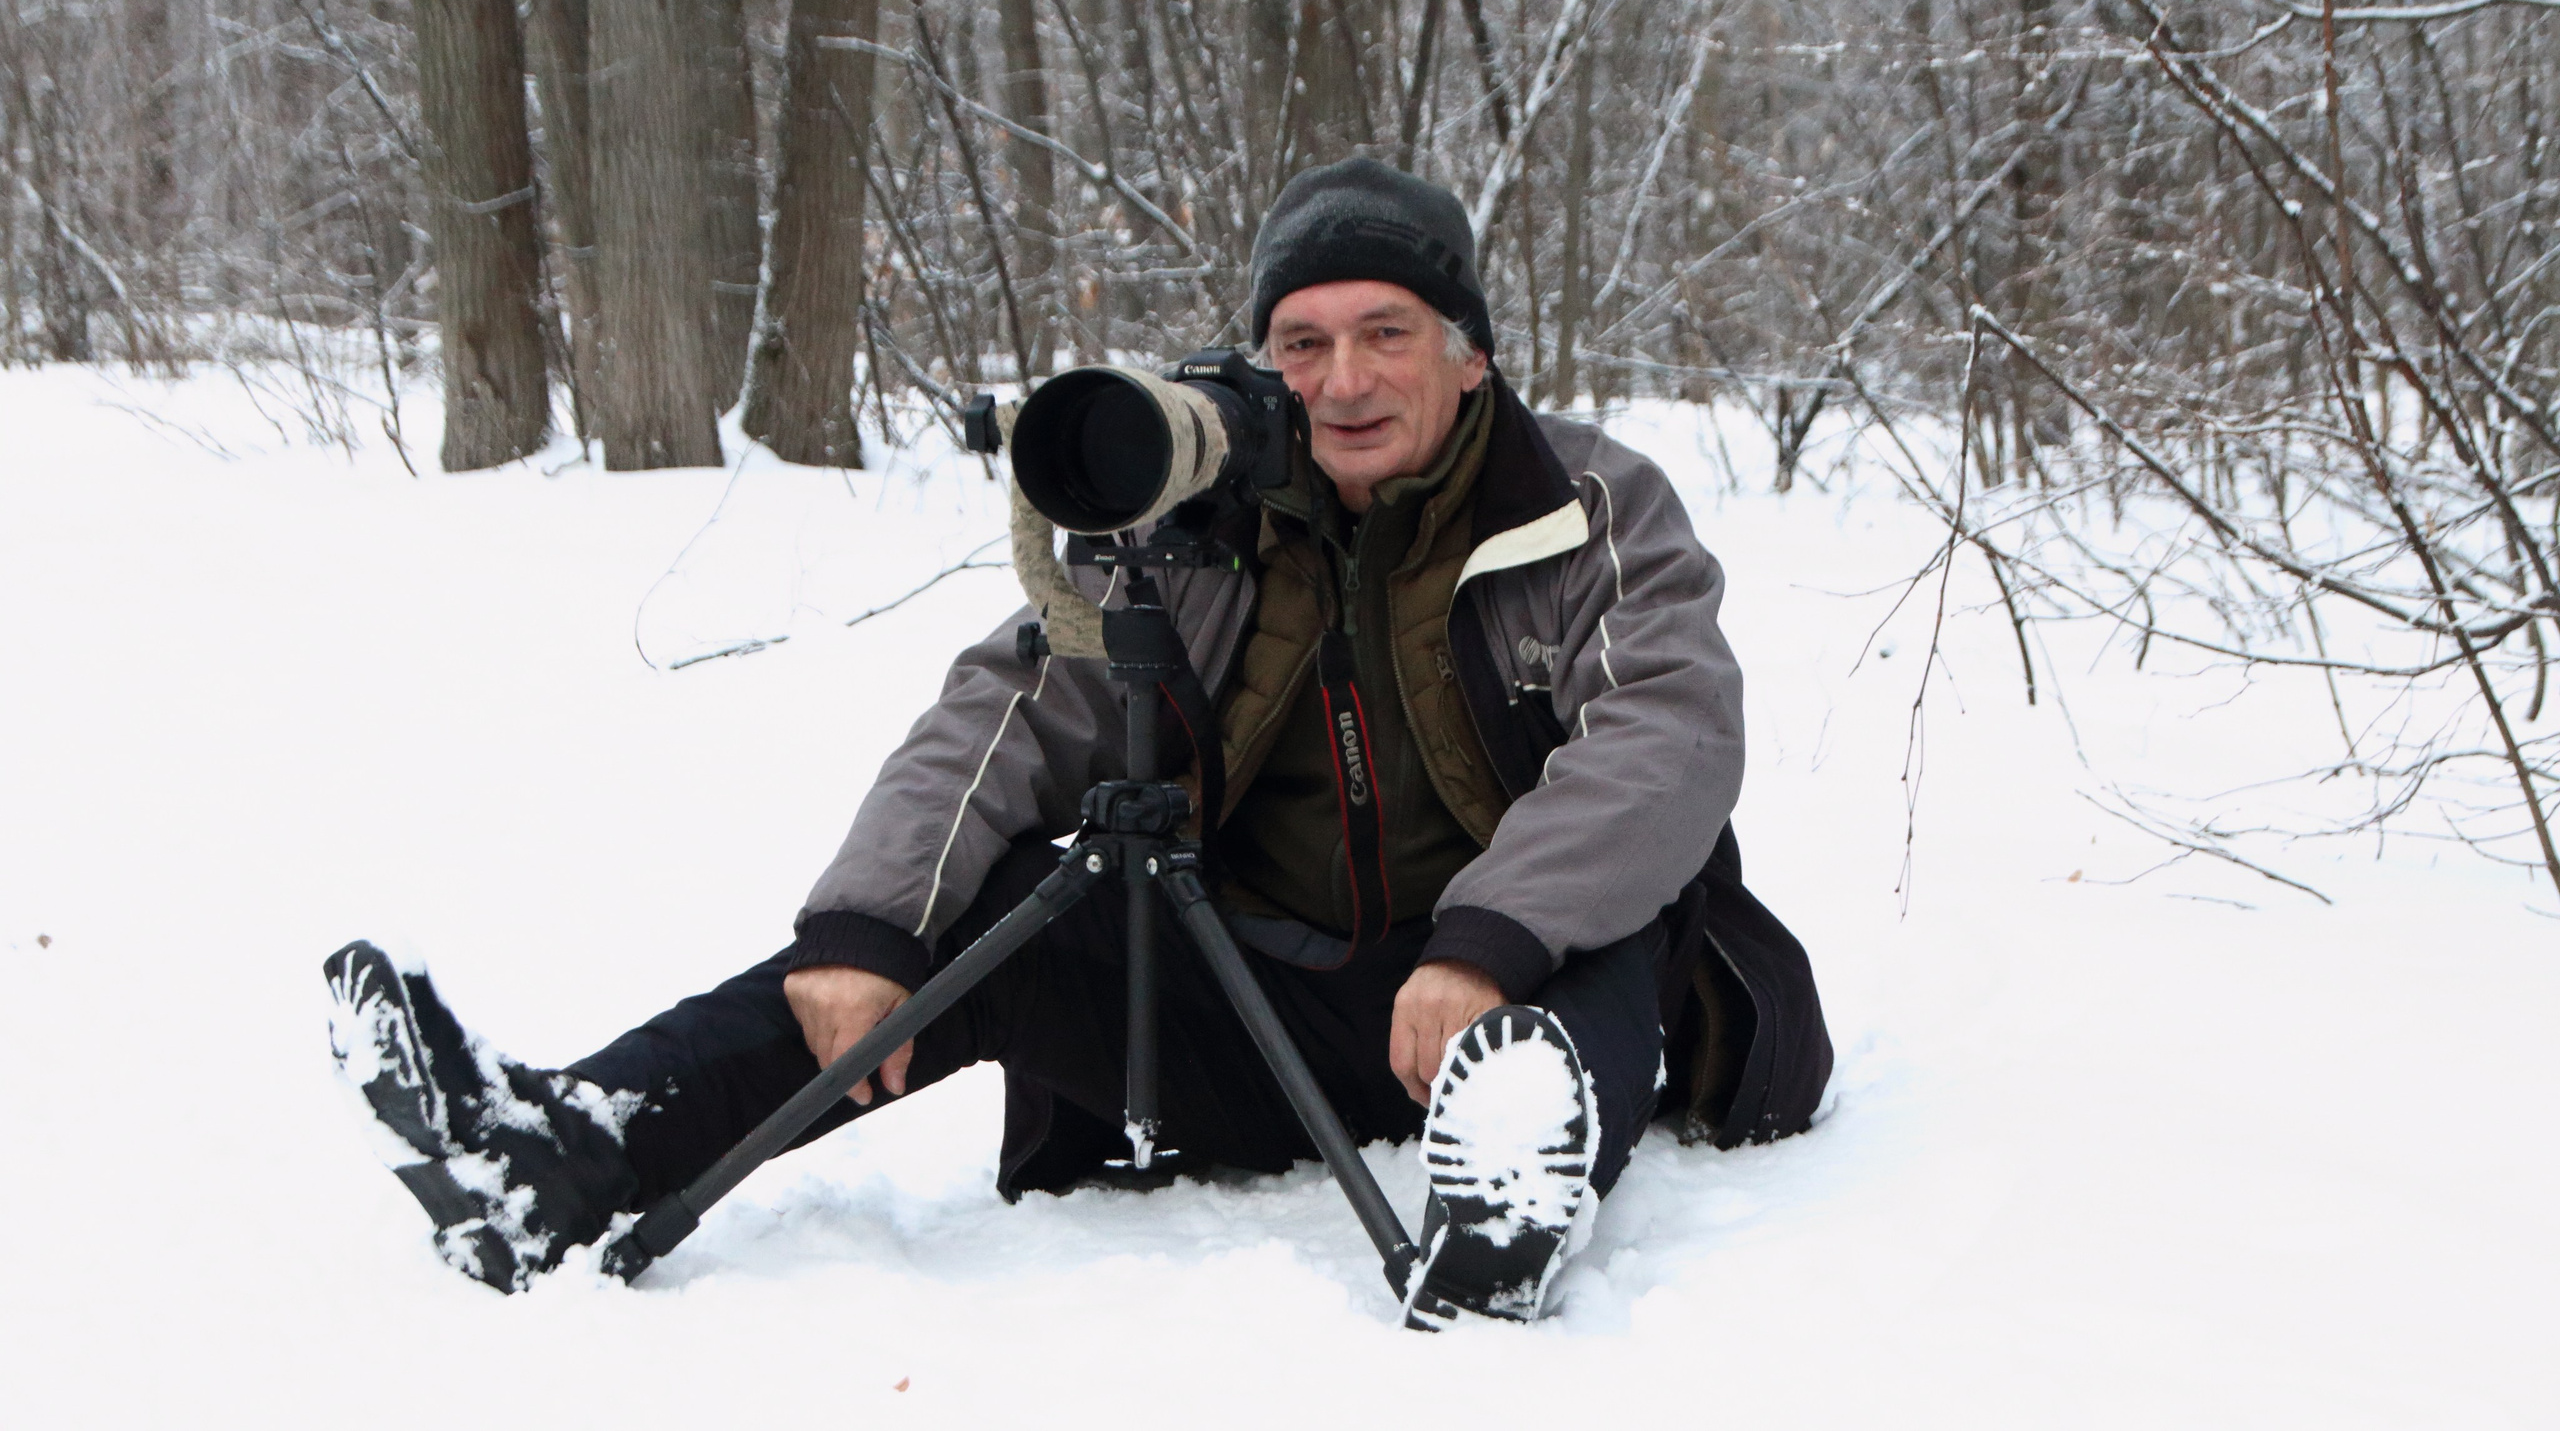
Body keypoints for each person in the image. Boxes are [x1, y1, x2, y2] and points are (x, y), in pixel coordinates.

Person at [326, 157, 1831, 1325]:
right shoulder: (1201, 512)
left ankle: (1503, 1220)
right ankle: (556, 1159)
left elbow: (1666, 739)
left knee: (1611, 930)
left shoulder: (1588, 503)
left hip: (1521, 1024)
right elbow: (1010, 711)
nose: (1344, 380)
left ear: (1471, 359)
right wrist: (869, 928)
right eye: (1302, 343)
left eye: (1387, 334)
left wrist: (1490, 942)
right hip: (1271, 1016)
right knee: (970, 928)